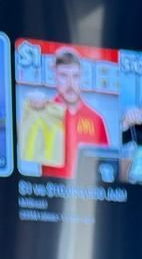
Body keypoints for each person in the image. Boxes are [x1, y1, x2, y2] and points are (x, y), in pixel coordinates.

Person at [25, 48, 109, 178]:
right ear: (55, 77)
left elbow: (105, 166)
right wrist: (31, 112)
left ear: (82, 78)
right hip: (52, 189)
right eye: (63, 75)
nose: (70, 84)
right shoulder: (44, 113)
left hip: (86, 191)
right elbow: (26, 148)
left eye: (75, 76)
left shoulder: (96, 119)